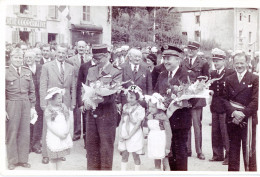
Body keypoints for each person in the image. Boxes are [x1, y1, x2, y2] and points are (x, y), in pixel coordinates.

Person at [154, 45, 192, 171]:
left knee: (180, 153)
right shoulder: (162, 74)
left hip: (180, 122)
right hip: (165, 122)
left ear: (178, 60)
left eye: (168, 58)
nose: (165, 61)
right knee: (168, 153)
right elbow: (156, 92)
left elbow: (194, 99)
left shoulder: (186, 75)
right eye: (164, 58)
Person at [85, 44, 122, 170]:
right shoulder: (91, 70)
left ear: (107, 56)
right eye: (94, 59)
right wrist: (86, 100)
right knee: (91, 146)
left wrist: (98, 99)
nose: (96, 61)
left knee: (106, 147)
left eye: (98, 59)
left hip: (107, 113)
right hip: (92, 114)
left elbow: (114, 95)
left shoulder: (116, 71)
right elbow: (86, 88)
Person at [40, 44, 76, 164]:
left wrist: (73, 102)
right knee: (49, 127)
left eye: (63, 53)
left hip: (65, 102)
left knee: (62, 126)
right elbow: (43, 86)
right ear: (55, 53)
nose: (61, 55)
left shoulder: (71, 68)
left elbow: (73, 87)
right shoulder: (47, 67)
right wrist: (43, 103)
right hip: (51, 102)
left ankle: (59, 152)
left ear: (67, 54)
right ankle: (46, 154)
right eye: (59, 52)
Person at [223, 52, 258, 171]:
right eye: (236, 63)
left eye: (242, 63)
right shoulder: (228, 79)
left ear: (247, 63)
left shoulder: (254, 78)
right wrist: (234, 112)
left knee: (249, 152)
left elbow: (256, 101)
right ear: (233, 64)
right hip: (233, 119)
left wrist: (242, 114)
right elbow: (224, 99)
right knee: (233, 151)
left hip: (248, 119)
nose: (239, 66)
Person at [6, 48, 36, 170]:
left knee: (25, 132)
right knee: (12, 132)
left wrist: (33, 107)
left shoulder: (27, 71)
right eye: (16, 57)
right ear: (11, 58)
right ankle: (12, 161)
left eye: (20, 57)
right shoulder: (5, 72)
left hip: (25, 104)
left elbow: (32, 91)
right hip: (12, 103)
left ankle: (23, 159)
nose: (18, 60)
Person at [182, 41, 209, 160]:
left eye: (193, 49)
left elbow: (207, 79)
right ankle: (187, 149)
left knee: (197, 125)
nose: (191, 51)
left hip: (197, 98)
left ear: (197, 50)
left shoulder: (203, 63)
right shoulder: (182, 62)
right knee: (186, 123)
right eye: (189, 49)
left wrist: (199, 85)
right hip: (186, 97)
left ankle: (199, 151)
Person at [208, 48, 234, 165]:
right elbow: (211, 89)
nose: (216, 63)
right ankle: (217, 154)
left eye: (218, 60)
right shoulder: (213, 73)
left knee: (225, 132)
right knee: (215, 131)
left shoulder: (230, 73)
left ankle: (229, 155)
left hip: (225, 107)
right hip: (215, 106)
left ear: (224, 61)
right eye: (214, 60)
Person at [44, 87, 73, 170]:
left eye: (61, 98)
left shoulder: (63, 107)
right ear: (52, 99)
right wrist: (59, 134)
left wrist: (67, 130)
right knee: (53, 158)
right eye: (58, 98)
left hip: (63, 134)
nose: (60, 100)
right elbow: (49, 124)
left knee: (60, 157)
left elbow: (67, 119)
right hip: (54, 135)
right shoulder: (49, 109)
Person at [67, 40, 90, 142]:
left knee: (86, 109)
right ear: (76, 48)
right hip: (76, 87)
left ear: (86, 48)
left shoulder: (90, 59)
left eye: (83, 47)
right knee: (76, 111)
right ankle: (77, 133)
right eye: (79, 47)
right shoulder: (71, 60)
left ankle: (86, 133)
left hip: (87, 88)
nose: (81, 49)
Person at [118, 85, 145, 171]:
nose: (129, 99)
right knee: (124, 154)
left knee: (135, 155)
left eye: (132, 97)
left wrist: (129, 136)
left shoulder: (140, 109)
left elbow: (137, 125)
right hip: (124, 132)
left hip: (134, 134)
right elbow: (122, 120)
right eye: (128, 97)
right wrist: (119, 134)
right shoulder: (125, 106)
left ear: (137, 98)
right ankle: (123, 172)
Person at [146, 93, 172, 171]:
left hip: (161, 140)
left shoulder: (163, 117)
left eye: (153, 107)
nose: (150, 109)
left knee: (165, 160)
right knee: (156, 157)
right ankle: (157, 170)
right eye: (149, 106)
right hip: (153, 140)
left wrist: (167, 147)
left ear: (159, 107)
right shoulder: (150, 116)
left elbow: (168, 133)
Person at [24, 50, 43, 154]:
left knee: (38, 123)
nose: (28, 59)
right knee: (28, 122)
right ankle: (28, 146)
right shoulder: (23, 68)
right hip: (28, 99)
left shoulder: (41, 67)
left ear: (35, 58)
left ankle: (36, 145)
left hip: (39, 99)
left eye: (30, 57)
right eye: (26, 57)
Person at [76, 56, 96, 149]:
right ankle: (87, 143)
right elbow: (79, 85)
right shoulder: (84, 66)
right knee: (86, 121)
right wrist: (80, 103)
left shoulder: (103, 66)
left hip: (98, 99)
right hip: (86, 99)